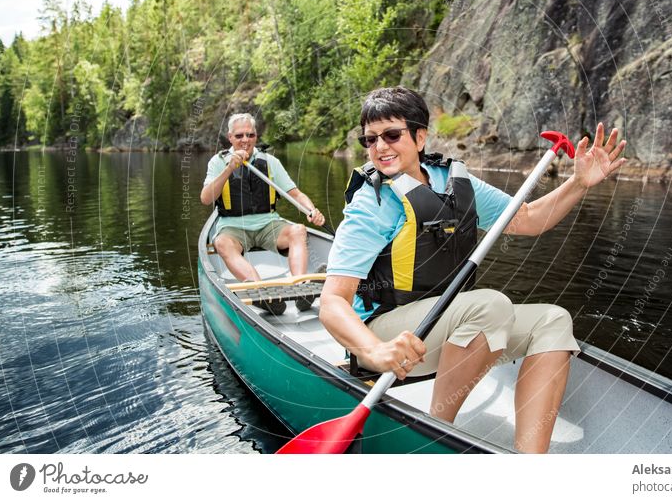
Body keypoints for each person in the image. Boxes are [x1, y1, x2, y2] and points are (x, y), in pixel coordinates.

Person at [319, 87, 626, 453]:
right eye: (370, 139)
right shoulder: (373, 202)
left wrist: (577, 184)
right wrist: (373, 351)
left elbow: (527, 219)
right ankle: (435, 436)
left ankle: (530, 461)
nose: (380, 147)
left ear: (420, 136)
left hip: (449, 329)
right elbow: (332, 302)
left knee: (553, 320)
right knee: (490, 305)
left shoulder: (452, 181)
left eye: (391, 135)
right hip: (389, 336)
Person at [200, 113, 326, 284]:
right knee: (221, 243)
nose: (245, 140)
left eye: (250, 135)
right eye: (239, 136)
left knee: (298, 230)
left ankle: (300, 285)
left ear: (256, 136)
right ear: (230, 137)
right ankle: (260, 290)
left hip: (268, 225)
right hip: (232, 228)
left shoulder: (270, 161)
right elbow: (206, 199)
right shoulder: (218, 162)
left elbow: (295, 194)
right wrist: (229, 169)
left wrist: (312, 210)